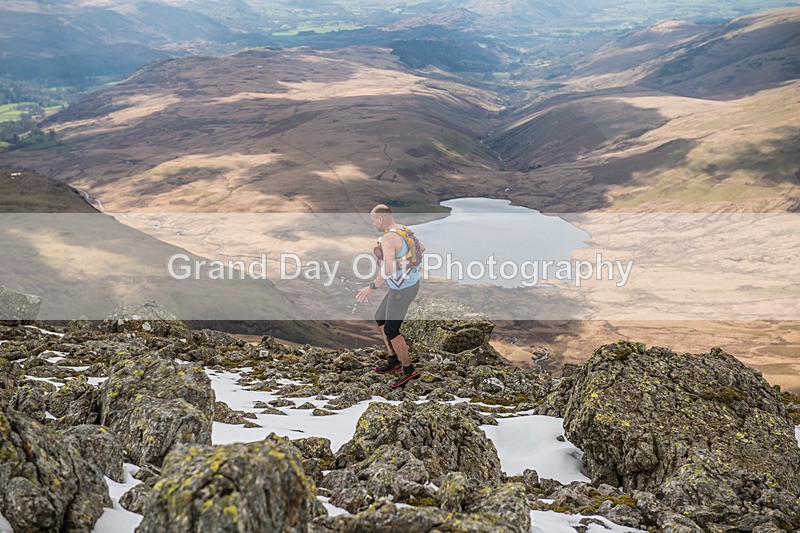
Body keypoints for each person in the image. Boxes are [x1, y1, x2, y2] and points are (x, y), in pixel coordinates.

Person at [356, 204, 424, 389]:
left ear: (380, 219)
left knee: (392, 330)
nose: (373, 224)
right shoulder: (403, 229)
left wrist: (371, 287)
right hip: (405, 286)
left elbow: (387, 269)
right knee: (380, 318)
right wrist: (405, 263)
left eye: (373, 221)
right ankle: (393, 359)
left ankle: (409, 371)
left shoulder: (388, 238)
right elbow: (422, 248)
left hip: (403, 289)